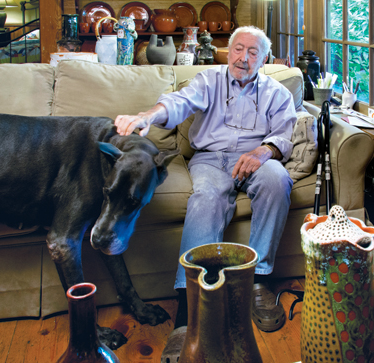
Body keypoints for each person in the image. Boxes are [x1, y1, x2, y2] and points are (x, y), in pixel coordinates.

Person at [114, 26, 297, 360]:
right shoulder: (208, 80)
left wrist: (263, 152)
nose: (244, 58)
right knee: (205, 200)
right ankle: (188, 312)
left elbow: (284, 135)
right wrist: (147, 115)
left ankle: (258, 281)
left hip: (255, 157)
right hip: (211, 160)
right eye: (238, 49)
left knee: (278, 181)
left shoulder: (277, 92)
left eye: (253, 52)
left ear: (265, 58)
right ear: (229, 51)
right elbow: (178, 102)